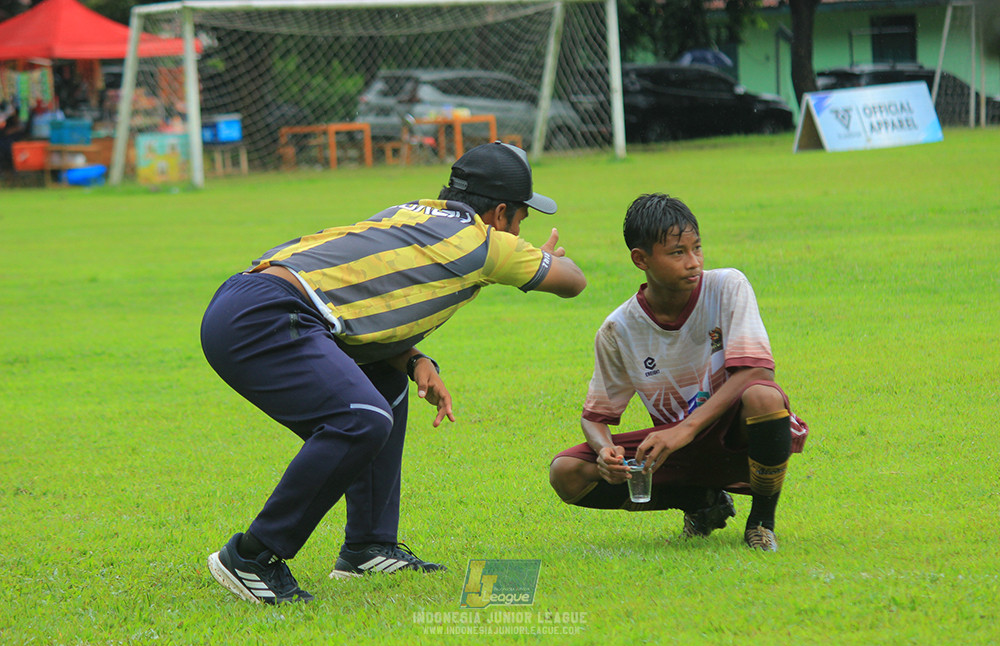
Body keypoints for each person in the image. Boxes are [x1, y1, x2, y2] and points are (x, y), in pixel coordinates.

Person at [202, 141, 586, 604]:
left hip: (253, 301)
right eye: (522, 217)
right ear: (501, 212)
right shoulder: (484, 243)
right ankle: (252, 555)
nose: (521, 227)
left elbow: (360, 308)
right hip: (268, 315)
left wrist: (413, 359)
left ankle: (367, 546)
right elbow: (573, 281)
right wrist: (527, 253)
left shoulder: (410, 213)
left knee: (384, 391)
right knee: (360, 418)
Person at [548, 193, 807, 551]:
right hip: (675, 452)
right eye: (677, 253)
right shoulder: (618, 329)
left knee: (765, 397)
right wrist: (606, 452)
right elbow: (595, 418)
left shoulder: (727, 286)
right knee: (566, 473)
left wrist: (683, 430)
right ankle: (700, 502)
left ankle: (762, 522)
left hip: (733, 441)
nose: (693, 262)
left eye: (697, 249)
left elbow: (757, 373)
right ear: (641, 259)